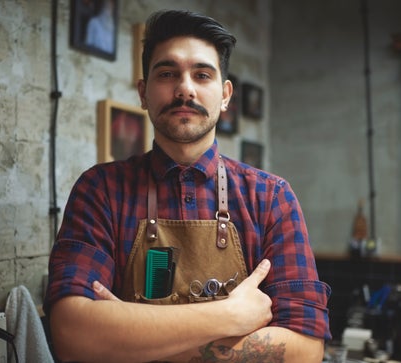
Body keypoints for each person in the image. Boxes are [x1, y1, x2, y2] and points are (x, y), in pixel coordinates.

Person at [45, 9, 331, 363]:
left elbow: (306, 351)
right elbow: (73, 336)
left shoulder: (271, 198)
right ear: (143, 92)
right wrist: (228, 316)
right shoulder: (100, 190)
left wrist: (134, 340)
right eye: (167, 73)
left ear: (226, 95)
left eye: (202, 74)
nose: (184, 88)